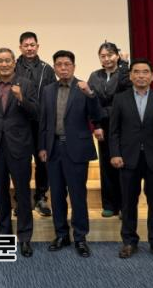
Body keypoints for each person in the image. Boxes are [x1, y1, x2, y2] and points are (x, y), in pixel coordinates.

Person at [110, 58, 153, 263]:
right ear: (131, 75)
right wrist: (115, 153)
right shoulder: (120, 99)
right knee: (128, 203)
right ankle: (129, 241)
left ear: (152, 76)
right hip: (128, 159)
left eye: (145, 72)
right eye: (136, 72)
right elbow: (113, 130)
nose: (141, 75)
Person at [39, 50, 103, 258]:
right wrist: (42, 147)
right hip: (53, 148)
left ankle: (80, 237)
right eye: (59, 65)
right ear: (54, 68)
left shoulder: (84, 87)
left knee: (77, 195)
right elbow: (43, 121)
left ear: (74, 66)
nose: (63, 68)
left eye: (67, 64)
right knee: (57, 195)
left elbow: (97, 115)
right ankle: (61, 234)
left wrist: (90, 94)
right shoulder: (48, 90)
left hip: (76, 149)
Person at [0, 48, 38, 258]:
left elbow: (36, 113)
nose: (4, 64)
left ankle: (24, 237)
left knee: (23, 193)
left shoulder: (26, 84)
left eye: (8, 60)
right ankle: (4, 234)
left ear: (15, 62)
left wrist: (22, 98)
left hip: (20, 147)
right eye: (0, 61)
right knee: (1, 193)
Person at [87, 41, 131, 218]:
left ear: (117, 56)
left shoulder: (124, 73)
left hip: (123, 125)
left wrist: (124, 65)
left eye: (110, 55)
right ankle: (109, 205)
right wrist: (96, 125)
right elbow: (92, 101)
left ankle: (125, 206)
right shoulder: (95, 75)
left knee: (123, 164)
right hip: (103, 125)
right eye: (103, 56)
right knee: (106, 165)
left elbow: (125, 88)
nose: (106, 59)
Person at [15, 31, 56, 217]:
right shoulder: (13, 67)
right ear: (20, 47)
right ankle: (21, 199)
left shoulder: (47, 69)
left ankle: (41, 197)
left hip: (41, 123)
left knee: (42, 162)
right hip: (19, 123)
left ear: (37, 46)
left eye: (32, 45)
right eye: (26, 45)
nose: (29, 48)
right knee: (21, 163)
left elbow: (52, 95)